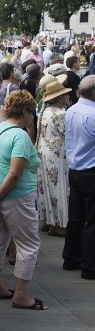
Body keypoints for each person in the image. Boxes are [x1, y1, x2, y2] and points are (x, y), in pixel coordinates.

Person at [0, 90, 47, 309]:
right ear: (26, 111)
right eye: (32, 112)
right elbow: (16, 173)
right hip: (16, 197)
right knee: (28, 244)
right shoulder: (21, 136)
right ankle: (21, 295)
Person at [62, 75, 95, 279]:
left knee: (76, 217)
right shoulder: (91, 113)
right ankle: (90, 267)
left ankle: (71, 258)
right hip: (90, 170)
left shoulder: (72, 110)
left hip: (75, 169)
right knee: (91, 220)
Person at [35, 80, 72, 236]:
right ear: (59, 97)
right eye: (65, 94)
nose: (68, 96)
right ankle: (59, 225)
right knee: (58, 189)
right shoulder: (60, 114)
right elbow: (68, 135)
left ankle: (50, 222)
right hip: (57, 155)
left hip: (45, 154)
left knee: (48, 188)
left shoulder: (45, 111)